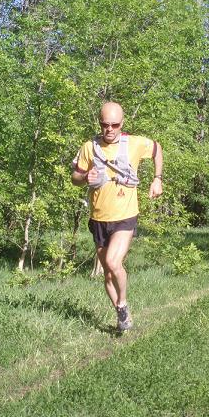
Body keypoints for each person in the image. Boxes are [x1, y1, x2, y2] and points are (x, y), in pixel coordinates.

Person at [71, 102, 163, 331]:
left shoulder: (133, 143)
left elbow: (157, 149)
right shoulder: (89, 148)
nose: (109, 129)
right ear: (99, 123)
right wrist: (84, 178)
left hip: (125, 215)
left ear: (122, 124)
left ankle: (122, 301)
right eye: (105, 124)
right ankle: (122, 313)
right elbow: (75, 177)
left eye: (114, 125)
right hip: (99, 218)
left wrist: (157, 178)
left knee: (113, 262)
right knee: (108, 275)